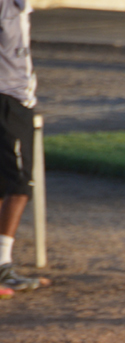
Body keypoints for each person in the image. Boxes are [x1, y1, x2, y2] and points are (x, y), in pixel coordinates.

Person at [0, 0, 42, 294]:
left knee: (10, 183)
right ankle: (2, 265)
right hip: (6, 100)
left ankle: (2, 265)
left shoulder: (20, 7)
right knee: (18, 184)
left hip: (19, 100)